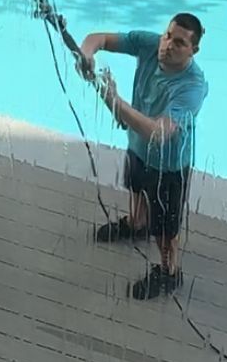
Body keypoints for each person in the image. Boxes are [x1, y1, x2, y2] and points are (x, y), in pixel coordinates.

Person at [78, 16, 207, 301]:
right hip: (137, 146)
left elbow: (157, 133)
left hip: (168, 166)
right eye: (167, 35)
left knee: (165, 229)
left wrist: (115, 101)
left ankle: (169, 271)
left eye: (179, 42)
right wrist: (86, 56)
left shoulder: (192, 87)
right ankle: (136, 224)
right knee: (135, 186)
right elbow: (99, 38)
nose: (167, 45)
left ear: (192, 50)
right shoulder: (150, 44)